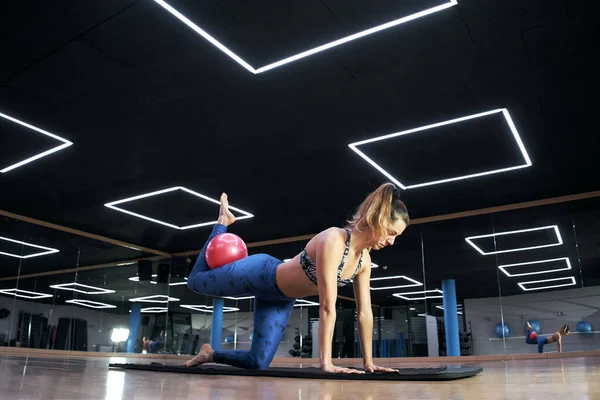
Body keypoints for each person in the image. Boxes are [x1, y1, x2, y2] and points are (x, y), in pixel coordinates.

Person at [184, 182, 409, 374]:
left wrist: (369, 363)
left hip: (280, 300)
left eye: (396, 237)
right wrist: (326, 363)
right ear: (378, 219)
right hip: (262, 274)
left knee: (258, 363)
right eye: (391, 233)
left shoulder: (364, 261)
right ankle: (222, 222)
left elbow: (364, 312)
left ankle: (209, 354)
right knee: (195, 281)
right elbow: (327, 307)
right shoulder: (334, 240)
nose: (391, 242)